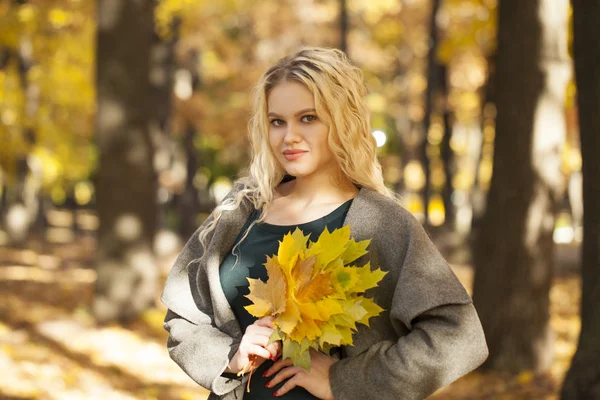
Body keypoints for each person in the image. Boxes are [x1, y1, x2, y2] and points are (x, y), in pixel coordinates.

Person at [161, 47, 488, 400]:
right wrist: (229, 357)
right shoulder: (241, 209)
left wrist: (345, 380)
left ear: (342, 120)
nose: (289, 137)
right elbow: (183, 317)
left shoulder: (381, 221)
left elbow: (458, 335)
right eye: (277, 121)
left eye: (308, 118)